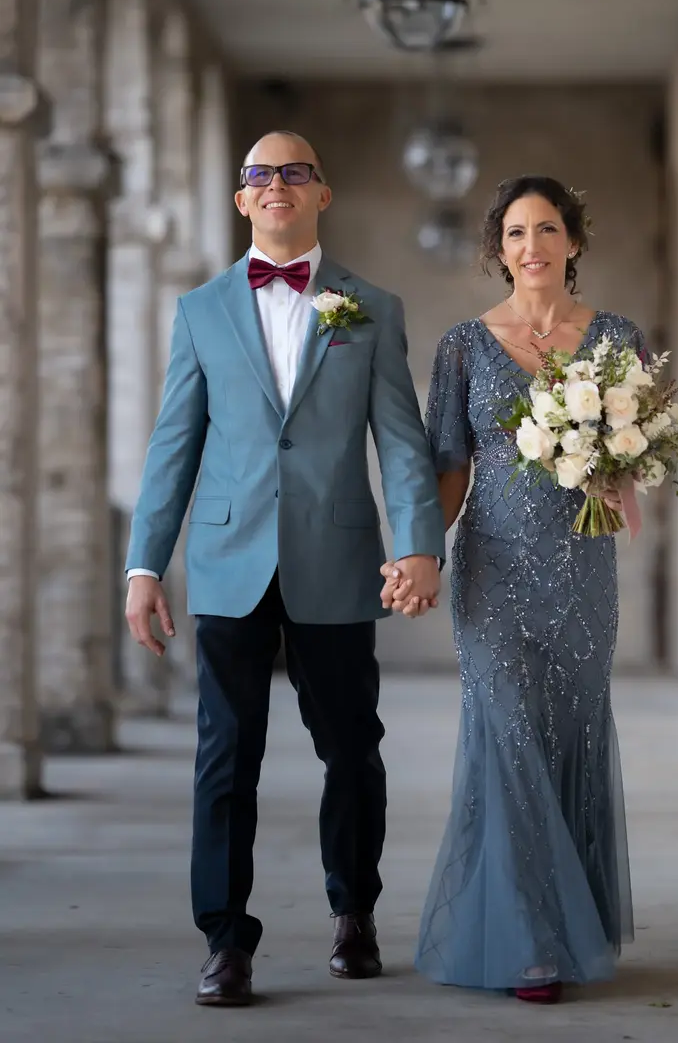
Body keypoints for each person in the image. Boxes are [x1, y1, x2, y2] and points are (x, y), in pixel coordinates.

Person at [124, 130, 445, 1007]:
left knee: (352, 749)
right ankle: (226, 941)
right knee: (226, 758)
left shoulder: (370, 307)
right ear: (242, 200)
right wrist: (144, 564)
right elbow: (173, 444)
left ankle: (355, 912)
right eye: (260, 175)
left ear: (321, 194)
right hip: (228, 561)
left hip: (336, 558)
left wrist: (418, 544)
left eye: (294, 172)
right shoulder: (199, 311)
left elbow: (402, 441)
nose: (277, 185)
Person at [383, 176, 643, 1003]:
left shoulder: (616, 339)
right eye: (517, 232)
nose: (533, 245)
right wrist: (418, 553)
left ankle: (567, 923)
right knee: (509, 738)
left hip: (581, 572)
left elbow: (637, 455)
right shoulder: (464, 345)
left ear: (574, 240)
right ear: (499, 249)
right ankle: (531, 940)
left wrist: (617, 472)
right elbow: (449, 469)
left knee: (569, 735)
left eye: (548, 228)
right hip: (491, 570)